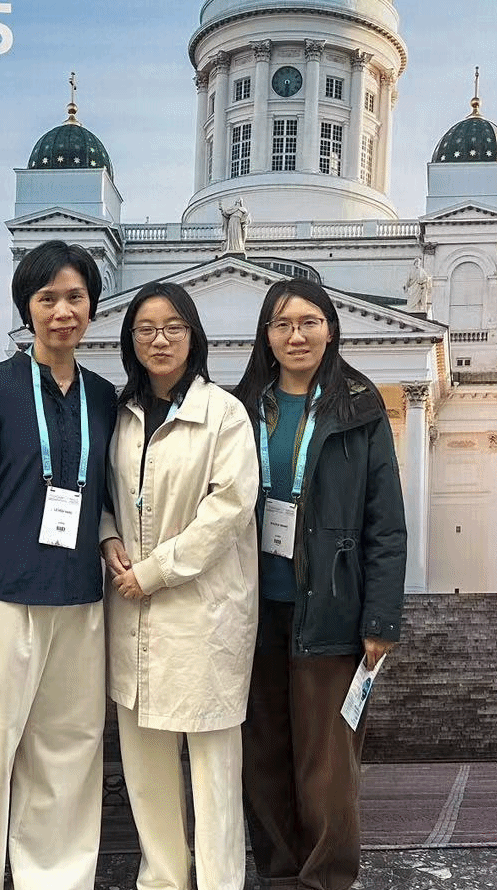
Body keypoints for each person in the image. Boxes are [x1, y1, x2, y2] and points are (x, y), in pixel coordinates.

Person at [0, 240, 118, 890]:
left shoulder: (105, 397)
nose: (62, 311)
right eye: (48, 299)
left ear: (91, 307)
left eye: (75, 298)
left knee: (69, 748)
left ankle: (58, 879)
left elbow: (106, 495)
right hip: (0, 598)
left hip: (79, 597)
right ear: (27, 308)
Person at [232, 277, 407, 890]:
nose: (296, 335)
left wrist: (380, 619)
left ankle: (326, 878)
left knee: (328, 761)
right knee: (263, 756)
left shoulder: (359, 408)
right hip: (253, 611)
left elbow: (386, 521)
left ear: (330, 329)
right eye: (282, 324)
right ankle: (280, 874)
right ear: (266, 335)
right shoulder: (242, 406)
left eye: (308, 322)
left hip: (331, 609)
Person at [99, 282, 259, 890]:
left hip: (201, 613)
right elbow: (102, 494)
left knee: (215, 771)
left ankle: (220, 882)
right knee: (146, 769)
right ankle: (162, 879)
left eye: (173, 327)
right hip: (131, 610)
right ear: (130, 340)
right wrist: (108, 537)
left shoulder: (224, 413)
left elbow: (229, 510)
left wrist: (155, 571)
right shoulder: (121, 415)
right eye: (145, 329)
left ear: (193, 336)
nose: (159, 339)